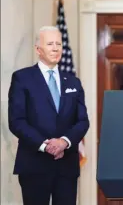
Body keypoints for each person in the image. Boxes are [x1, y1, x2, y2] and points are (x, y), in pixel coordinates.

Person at [8, 26, 89, 205]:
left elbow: (82, 121)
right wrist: (47, 146)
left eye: (58, 44)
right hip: (34, 164)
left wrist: (64, 142)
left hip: (66, 166)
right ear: (38, 49)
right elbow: (17, 121)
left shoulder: (73, 81)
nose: (55, 48)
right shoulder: (22, 78)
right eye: (50, 44)